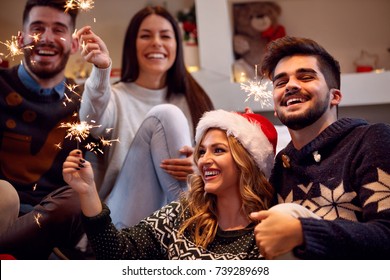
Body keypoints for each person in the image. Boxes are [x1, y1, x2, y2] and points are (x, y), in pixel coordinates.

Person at [62, 109, 277, 259]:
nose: (203, 160)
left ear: (246, 161)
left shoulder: (267, 232)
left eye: (218, 150)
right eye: (201, 151)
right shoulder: (184, 214)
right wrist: (88, 190)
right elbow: (117, 253)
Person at [250, 36, 390, 259]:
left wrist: (303, 232)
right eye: (280, 82)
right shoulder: (281, 165)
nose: (291, 86)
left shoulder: (372, 139)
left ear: (335, 96)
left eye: (305, 77)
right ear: (276, 108)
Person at [75, 6, 214, 228]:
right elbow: (90, 121)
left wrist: (199, 166)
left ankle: (190, 230)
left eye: (165, 36)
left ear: (176, 46)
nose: (157, 42)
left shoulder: (194, 100)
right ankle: (195, 233)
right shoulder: (115, 97)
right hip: (121, 221)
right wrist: (102, 70)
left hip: (172, 219)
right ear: (132, 45)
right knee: (166, 115)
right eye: (146, 36)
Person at [0, 0, 87, 259]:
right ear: (21, 38)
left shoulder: (83, 102)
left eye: (59, 29)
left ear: (73, 44)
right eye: (37, 28)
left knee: (76, 199)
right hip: (3, 210)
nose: (46, 38)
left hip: (54, 222)